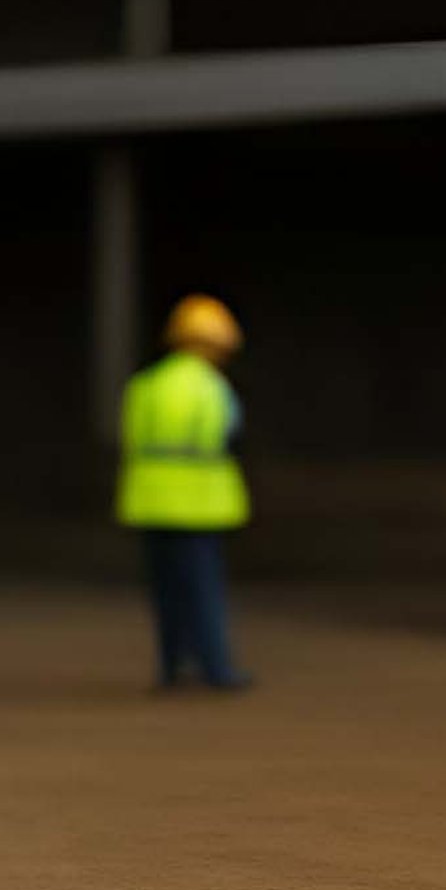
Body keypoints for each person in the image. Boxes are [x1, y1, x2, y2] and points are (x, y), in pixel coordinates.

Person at [116, 293, 253, 692]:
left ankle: (172, 666)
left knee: (165, 592)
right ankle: (216, 668)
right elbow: (228, 435)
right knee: (203, 591)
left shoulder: (146, 384)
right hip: (199, 505)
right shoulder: (213, 390)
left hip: (150, 501)